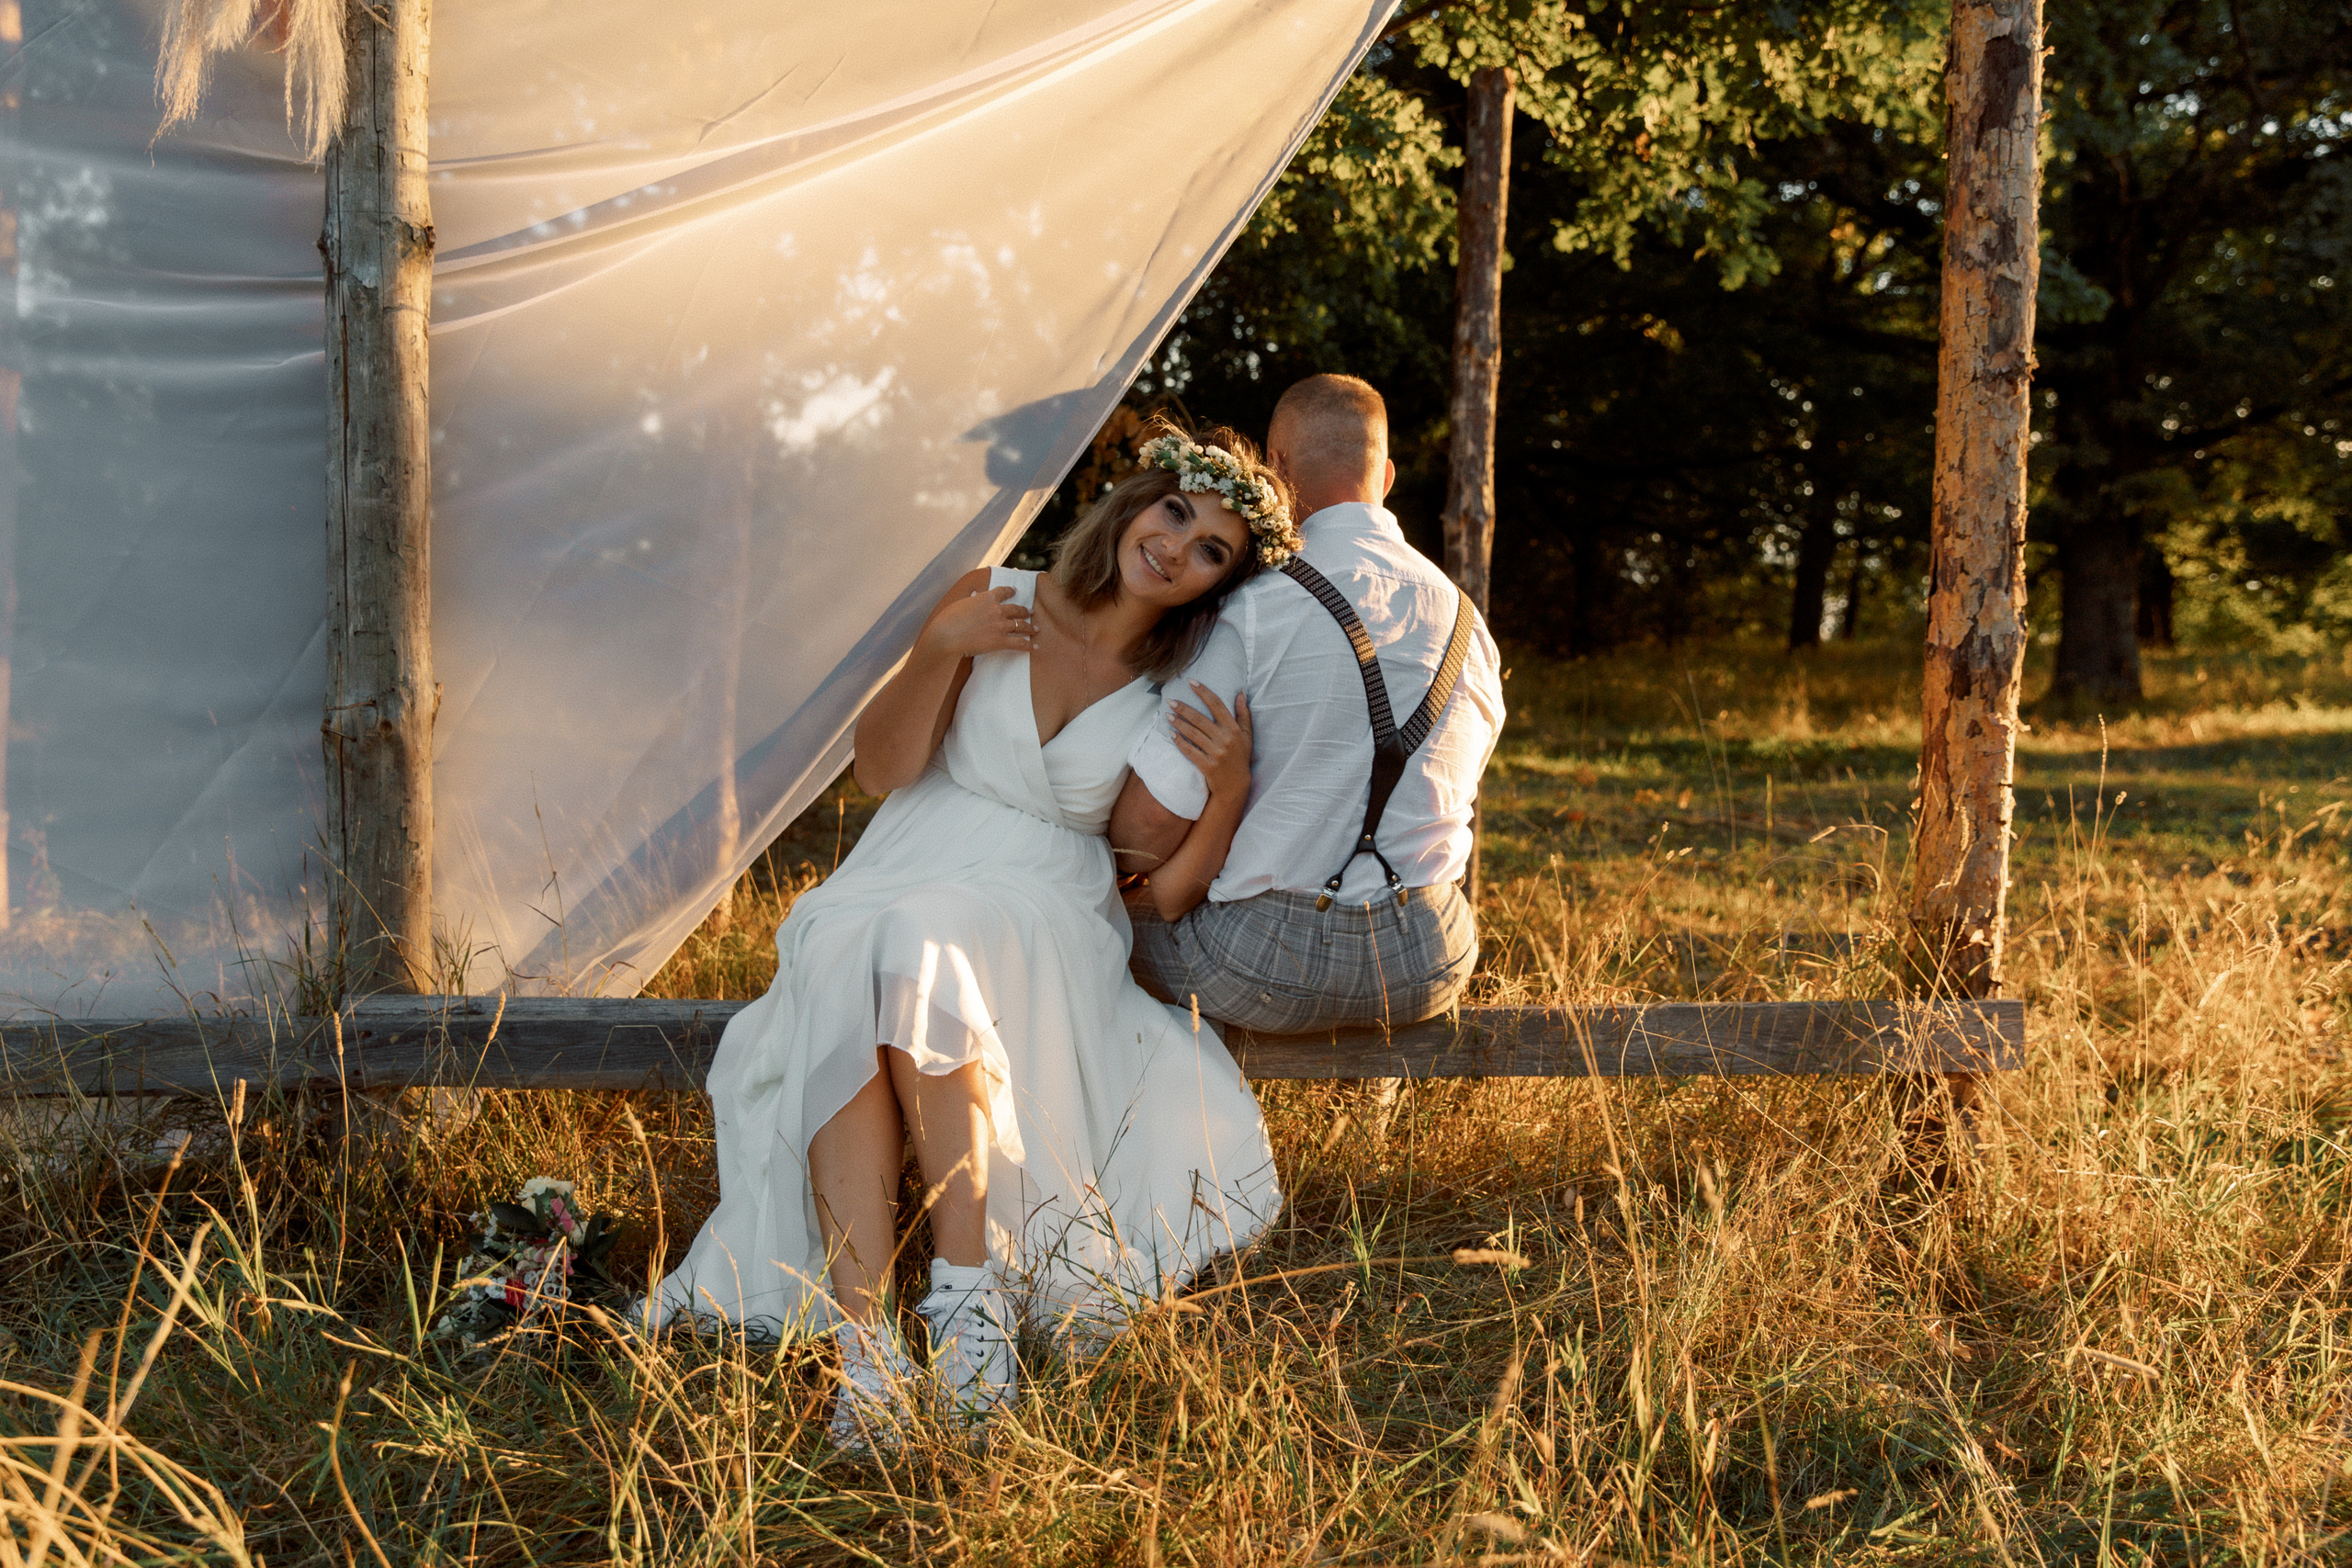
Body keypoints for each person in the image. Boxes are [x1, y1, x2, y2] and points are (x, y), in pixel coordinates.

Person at [650, 420, 1291, 1449]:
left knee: (910, 940)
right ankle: (866, 1351)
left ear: (1213, 586)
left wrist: (1225, 794)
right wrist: (941, 648)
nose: (1177, 546)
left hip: (1040, 901)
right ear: (1138, 501)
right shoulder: (996, 592)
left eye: (1210, 549)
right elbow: (881, 771)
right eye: (1177, 511)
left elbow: (1160, 896)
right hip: (908, 857)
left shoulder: (1175, 689)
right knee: (856, 941)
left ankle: (969, 1302)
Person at [1112, 374, 1504, 1034]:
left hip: (1264, 963)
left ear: (1277, 469)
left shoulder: (1251, 610)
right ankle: (1369, 1112)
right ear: (1386, 477)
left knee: (1088, 928)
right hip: (1427, 960)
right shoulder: (1470, 627)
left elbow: (1144, 833)